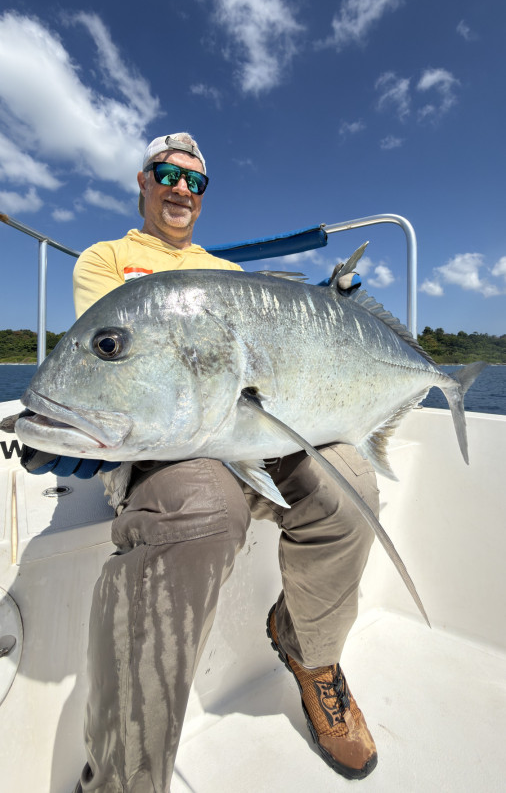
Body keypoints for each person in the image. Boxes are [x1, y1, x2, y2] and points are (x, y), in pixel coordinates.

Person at [28, 133, 381, 791]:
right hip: (165, 447)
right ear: (143, 181)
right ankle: (120, 778)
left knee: (350, 491)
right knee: (201, 512)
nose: (181, 189)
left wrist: (330, 312)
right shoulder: (106, 260)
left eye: (195, 181)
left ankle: (310, 652)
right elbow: (113, 359)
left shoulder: (226, 272)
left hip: (242, 429)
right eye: (168, 174)